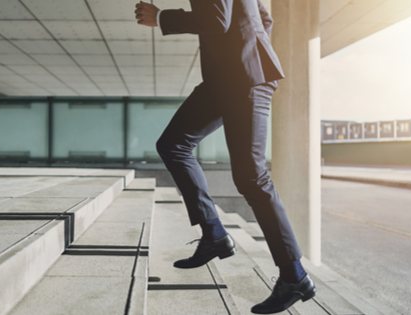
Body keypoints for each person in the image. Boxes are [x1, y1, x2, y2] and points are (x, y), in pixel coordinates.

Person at [134, 0, 316, 313]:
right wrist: (246, 50)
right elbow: (262, 17)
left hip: (245, 79)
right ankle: (215, 234)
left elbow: (218, 19)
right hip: (226, 78)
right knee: (173, 144)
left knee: (251, 177)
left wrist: (162, 17)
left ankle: (295, 276)